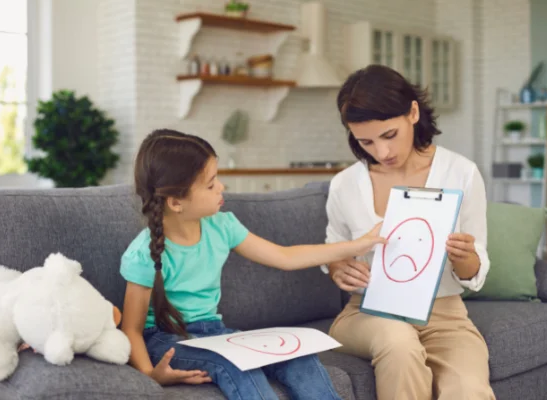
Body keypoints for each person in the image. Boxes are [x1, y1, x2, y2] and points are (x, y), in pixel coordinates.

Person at [119, 129, 386, 400]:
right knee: (236, 365)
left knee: (297, 357)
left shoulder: (222, 226)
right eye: (211, 184)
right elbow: (132, 329)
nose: (221, 187)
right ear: (176, 202)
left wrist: (357, 245)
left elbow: (285, 257)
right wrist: (151, 374)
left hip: (214, 332)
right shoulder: (143, 255)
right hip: (167, 340)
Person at [322, 65, 495, 400]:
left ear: (413, 112)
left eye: (389, 135)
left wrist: (466, 257)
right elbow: (334, 252)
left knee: (468, 389)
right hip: (367, 312)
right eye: (366, 142)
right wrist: (338, 268)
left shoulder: (461, 173)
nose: (382, 152)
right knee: (398, 342)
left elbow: (475, 272)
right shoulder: (345, 184)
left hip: (444, 315)